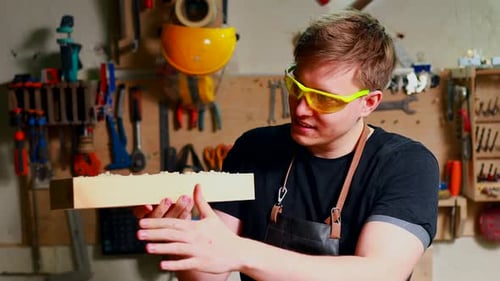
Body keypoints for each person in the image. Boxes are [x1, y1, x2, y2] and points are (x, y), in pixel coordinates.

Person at [134, 9, 439, 281]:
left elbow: (379, 274)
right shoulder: (254, 150)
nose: (302, 108)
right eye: (297, 87)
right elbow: (207, 277)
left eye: (324, 99)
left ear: (368, 103)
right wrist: (181, 239)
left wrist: (242, 252)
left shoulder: (406, 165)